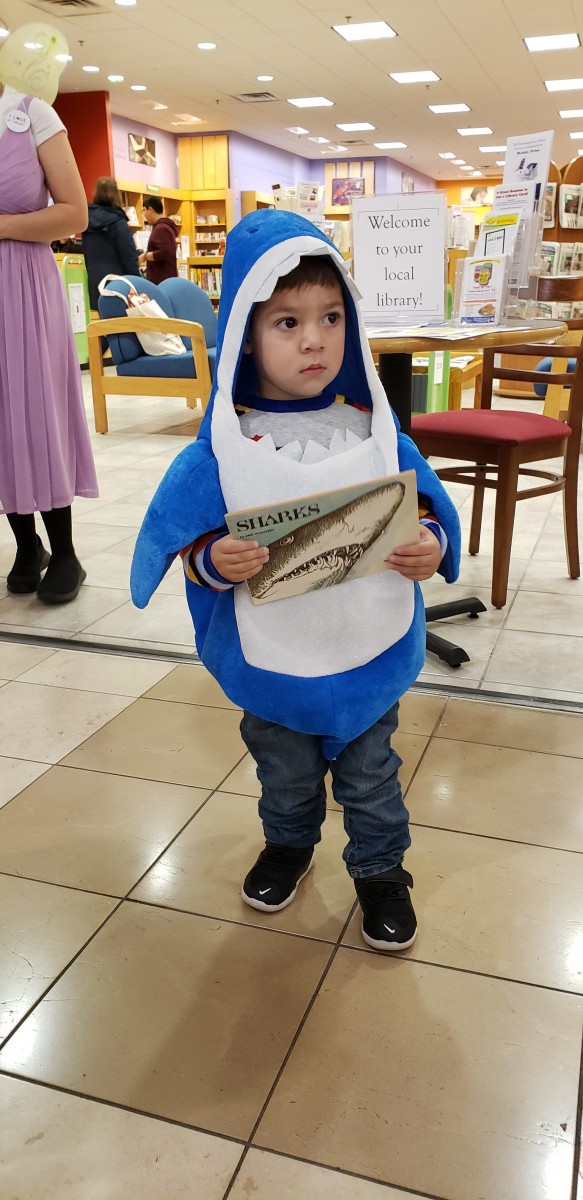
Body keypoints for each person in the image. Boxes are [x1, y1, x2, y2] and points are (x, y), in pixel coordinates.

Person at [131, 209, 461, 953]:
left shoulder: (376, 430)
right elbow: (179, 542)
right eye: (285, 321)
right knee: (283, 774)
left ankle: (380, 871)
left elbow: (430, 515)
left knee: (372, 776)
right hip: (273, 666)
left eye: (330, 316)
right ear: (246, 329)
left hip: (366, 654)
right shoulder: (223, 449)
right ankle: (288, 844)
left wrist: (429, 545)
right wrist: (214, 562)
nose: (314, 339)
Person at [0, 81, 98, 603]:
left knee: (37, 411)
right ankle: (25, 544)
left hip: (25, 287)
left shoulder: (33, 114)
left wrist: (4, 226)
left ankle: (65, 551)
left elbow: (74, 214)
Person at [81, 176, 139, 309]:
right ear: (116, 194)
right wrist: (138, 282)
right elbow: (128, 256)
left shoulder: (86, 220)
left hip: (93, 281)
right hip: (117, 283)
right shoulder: (118, 222)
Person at [138, 195, 178, 283]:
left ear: (151, 210)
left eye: (144, 210)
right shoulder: (163, 227)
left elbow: (165, 252)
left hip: (162, 280)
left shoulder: (161, 228)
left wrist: (145, 256)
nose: (144, 214)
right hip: (165, 279)